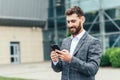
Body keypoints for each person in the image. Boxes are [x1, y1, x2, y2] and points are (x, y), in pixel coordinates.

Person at [50, 6, 102, 80]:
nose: (70, 25)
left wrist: (71, 59)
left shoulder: (93, 42)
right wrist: (55, 61)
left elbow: (92, 69)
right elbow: (58, 69)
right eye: (68, 22)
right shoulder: (65, 42)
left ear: (82, 19)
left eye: (73, 21)